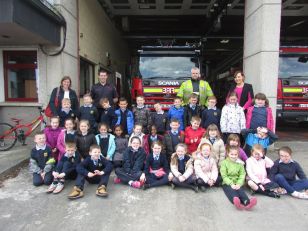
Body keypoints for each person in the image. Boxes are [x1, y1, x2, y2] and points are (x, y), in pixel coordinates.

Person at [220, 146, 257, 210]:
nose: (233, 156)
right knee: (232, 192)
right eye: (231, 154)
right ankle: (237, 202)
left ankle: (247, 202)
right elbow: (224, 176)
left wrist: (239, 184)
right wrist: (231, 184)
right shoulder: (224, 163)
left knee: (241, 191)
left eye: (235, 154)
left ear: (238, 154)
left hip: (237, 182)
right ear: (228, 154)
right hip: (227, 183)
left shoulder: (240, 163)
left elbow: (242, 174)